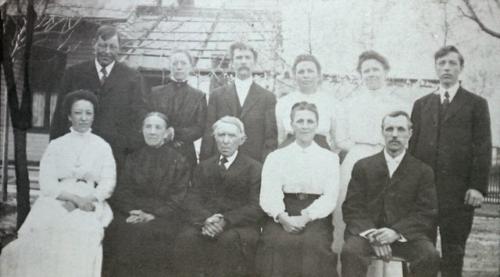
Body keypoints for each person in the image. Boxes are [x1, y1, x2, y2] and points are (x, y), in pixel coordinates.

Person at [0, 90, 116, 277]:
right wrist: (74, 200)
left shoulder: (102, 146)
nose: (83, 118)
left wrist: (88, 199)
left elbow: (108, 183)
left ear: (94, 116)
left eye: (88, 113)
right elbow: (47, 183)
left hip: (90, 199)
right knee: (49, 228)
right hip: (60, 196)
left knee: (81, 230)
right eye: (78, 113)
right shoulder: (56, 145)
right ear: (69, 116)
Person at [409, 46, 492, 277]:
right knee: (422, 252)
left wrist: (477, 187)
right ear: (435, 67)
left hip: (458, 195)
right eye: (442, 63)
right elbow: (413, 149)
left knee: (453, 252)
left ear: (461, 68)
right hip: (424, 195)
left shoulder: (476, 104)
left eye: (452, 63)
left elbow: (483, 148)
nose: (446, 68)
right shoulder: (421, 104)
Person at [341, 111, 440, 277]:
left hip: (406, 237)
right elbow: (352, 208)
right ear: (382, 132)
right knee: (350, 252)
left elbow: (426, 212)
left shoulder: (423, 171)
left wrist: (396, 233)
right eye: (389, 129)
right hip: (367, 235)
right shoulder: (363, 166)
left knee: (429, 256)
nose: (395, 135)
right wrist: (374, 236)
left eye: (401, 129)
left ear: (410, 133)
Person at [333, 50, 409, 253]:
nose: (371, 74)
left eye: (376, 69)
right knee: (351, 210)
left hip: (390, 159)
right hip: (357, 159)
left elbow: (405, 136)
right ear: (360, 74)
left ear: (385, 72)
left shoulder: (399, 104)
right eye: (366, 70)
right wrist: (364, 152)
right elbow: (341, 138)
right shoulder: (348, 104)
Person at [258, 102, 340, 277]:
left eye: (310, 121)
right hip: (283, 210)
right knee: (275, 243)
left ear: (316, 125)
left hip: (315, 214)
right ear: (292, 125)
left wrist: (306, 217)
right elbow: (269, 192)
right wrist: (281, 216)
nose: (305, 126)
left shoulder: (329, 159)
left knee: (313, 245)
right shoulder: (276, 157)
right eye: (300, 121)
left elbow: (330, 197)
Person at [174, 116, 263, 277]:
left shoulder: (254, 168)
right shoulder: (204, 167)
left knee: (227, 241)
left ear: (242, 140)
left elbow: (255, 206)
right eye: (221, 135)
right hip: (206, 222)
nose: (226, 141)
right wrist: (206, 219)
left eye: (231, 136)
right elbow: (192, 199)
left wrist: (225, 221)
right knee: (186, 238)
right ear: (214, 137)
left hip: (239, 226)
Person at [104, 112, 190, 277]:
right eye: (148, 127)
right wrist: (134, 211)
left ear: (167, 132)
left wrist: (151, 214)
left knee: (148, 235)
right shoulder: (133, 158)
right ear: (141, 130)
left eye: (158, 127)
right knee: (118, 231)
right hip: (132, 213)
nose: (152, 132)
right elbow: (122, 192)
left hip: (163, 217)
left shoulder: (179, 161)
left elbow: (178, 197)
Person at [50, 24, 147, 170]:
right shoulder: (74, 73)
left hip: (116, 156)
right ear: (93, 45)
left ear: (119, 48)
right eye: (102, 46)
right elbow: (60, 115)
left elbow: (138, 118)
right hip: (77, 152)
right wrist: (55, 150)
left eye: (112, 47)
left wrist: (128, 150)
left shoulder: (132, 78)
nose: (107, 51)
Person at [199, 42, 277, 162]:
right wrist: (205, 166)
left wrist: (265, 168)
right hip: (222, 165)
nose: (243, 61)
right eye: (239, 58)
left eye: (247, 57)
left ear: (254, 62)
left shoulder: (268, 98)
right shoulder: (217, 95)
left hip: (254, 166)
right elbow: (209, 135)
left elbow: (270, 139)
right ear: (232, 63)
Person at [275, 54, 349, 151]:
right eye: (301, 72)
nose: (306, 75)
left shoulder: (331, 103)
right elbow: (281, 138)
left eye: (310, 71)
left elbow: (339, 141)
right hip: (290, 157)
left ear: (318, 75)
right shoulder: (283, 103)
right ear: (294, 76)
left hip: (321, 157)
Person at [149, 49, 207, 167]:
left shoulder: (198, 96)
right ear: (170, 66)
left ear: (191, 67)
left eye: (183, 63)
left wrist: (175, 133)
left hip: (184, 154)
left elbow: (200, 127)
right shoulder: (156, 93)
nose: (179, 67)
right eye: (175, 63)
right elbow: (148, 120)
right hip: (158, 151)